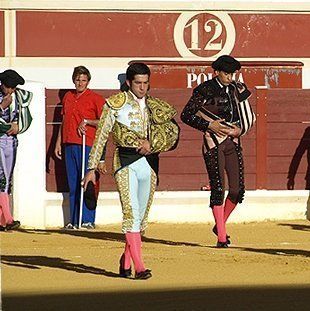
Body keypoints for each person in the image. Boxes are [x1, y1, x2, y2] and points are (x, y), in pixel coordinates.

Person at [83, 63, 179, 279]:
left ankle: (125, 262)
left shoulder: (155, 106)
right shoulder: (115, 104)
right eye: (138, 83)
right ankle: (140, 266)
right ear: (129, 83)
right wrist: (91, 168)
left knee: (142, 219)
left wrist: (152, 144)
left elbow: (170, 133)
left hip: (150, 163)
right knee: (131, 214)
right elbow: (101, 135)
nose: (143, 88)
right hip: (125, 162)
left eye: (146, 83)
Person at [181, 55, 255, 248]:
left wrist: (241, 129)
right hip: (213, 142)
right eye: (226, 73)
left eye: (233, 73)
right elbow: (186, 115)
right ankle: (222, 236)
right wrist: (209, 125)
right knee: (218, 188)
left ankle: (219, 224)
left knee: (238, 190)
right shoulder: (205, 89)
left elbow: (245, 114)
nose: (230, 77)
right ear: (217, 72)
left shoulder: (236, 90)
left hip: (233, 140)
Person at [54, 66, 106, 229]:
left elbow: (105, 122)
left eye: (83, 80)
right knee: (73, 183)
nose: (80, 83)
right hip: (69, 143)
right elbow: (64, 121)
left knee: (88, 182)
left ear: (88, 81)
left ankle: (88, 219)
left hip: (88, 144)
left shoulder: (96, 98)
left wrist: (88, 122)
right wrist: (58, 142)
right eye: (78, 79)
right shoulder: (68, 97)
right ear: (73, 80)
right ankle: (74, 219)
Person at [0, 69, 32, 231]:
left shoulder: (19, 97)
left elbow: (27, 117)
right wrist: (1, 107)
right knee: (2, 178)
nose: (11, 90)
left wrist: (18, 127)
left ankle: (1, 221)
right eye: (9, 87)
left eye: (13, 87)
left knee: (7, 180)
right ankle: (9, 218)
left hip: (12, 141)